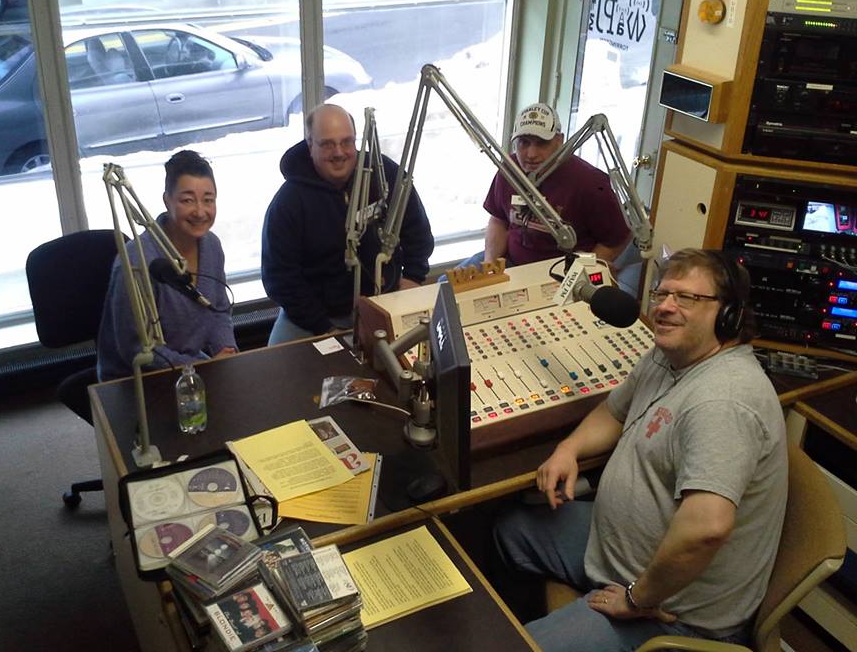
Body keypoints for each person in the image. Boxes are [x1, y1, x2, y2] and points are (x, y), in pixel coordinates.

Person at [493, 248, 787, 652]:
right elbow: (614, 412)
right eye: (661, 294)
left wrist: (636, 599)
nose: (665, 308)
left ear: (728, 315)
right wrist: (569, 448)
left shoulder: (724, 401)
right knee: (510, 530)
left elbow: (707, 528)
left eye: (686, 297)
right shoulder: (670, 357)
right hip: (617, 547)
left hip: (674, 611)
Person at [261, 103, 434, 345]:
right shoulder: (287, 203)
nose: (339, 152)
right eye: (327, 144)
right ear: (310, 145)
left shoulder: (385, 175)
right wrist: (323, 327)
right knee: (277, 371)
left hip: (383, 301)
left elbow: (417, 230)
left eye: (346, 142)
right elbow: (280, 278)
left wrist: (414, 276)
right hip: (313, 317)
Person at [97, 150, 237, 381]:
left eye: (208, 200)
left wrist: (227, 354)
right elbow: (136, 350)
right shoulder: (137, 262)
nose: (200, 211)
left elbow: (218, 311)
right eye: (187, 200)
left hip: (191, 367)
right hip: (136, 380)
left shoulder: (211, 246)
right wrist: (204, 368)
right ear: (166, 200)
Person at [463, 102, 630, 272]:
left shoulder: (590, 182)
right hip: (511, 261)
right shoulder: (509, 170)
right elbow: (498, 220)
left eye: (541, 143)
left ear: (560, 140)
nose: (531, 154)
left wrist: (579, 275)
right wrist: (490, 265)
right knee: (446, 287)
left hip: (558, 274)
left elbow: (616, 240)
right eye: (524, 143)